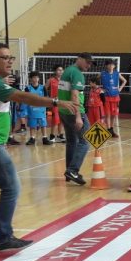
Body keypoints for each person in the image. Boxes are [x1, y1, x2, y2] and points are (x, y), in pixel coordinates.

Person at [0, 42, 78, 251]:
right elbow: (23, 97)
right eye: (5, 58)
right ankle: (4, 237)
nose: (10, 62)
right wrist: (56, 102)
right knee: (11, 187)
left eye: (11, 57)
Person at [58, 53, 93, 185]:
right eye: (87, 62)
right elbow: (74, 95)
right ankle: (72, 170)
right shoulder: (77, 74)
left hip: (64, 111)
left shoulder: (68, 70)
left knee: (72, 141)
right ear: (79, 59)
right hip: (74, 112)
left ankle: (69, 172)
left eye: (90, 63)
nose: (89, 66)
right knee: (85, 141)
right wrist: (78, 116)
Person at [23, 71, 51, 146]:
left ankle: (45, 138)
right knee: (32, 124)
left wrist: (47, 107)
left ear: (39, 78)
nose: (35, 79)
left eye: (37, 77)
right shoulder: (27, 88)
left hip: (41, 109)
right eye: (34, 77)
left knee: (43, 124)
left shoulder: (43, 88)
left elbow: (46, 98)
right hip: (32, 109)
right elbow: (26, 99)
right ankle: (32, 138)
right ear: (30, 79)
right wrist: (25, 111)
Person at [101, 60, 126, 138]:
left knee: (114, 114)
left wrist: (120, 88)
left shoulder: (117, 73)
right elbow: (95, 80)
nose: (111, 66)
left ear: (114, 66)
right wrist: (100, 89)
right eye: (109, 64)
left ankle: (111, 130)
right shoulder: (102, 74)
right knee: (107, 114)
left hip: (115, 97)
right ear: (106, 66)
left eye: (112, 65)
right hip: (106, 96)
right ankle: (108, 130)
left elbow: (124, 81)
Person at [46, 65, 66, 143]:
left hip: (63, 102)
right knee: (55, 119)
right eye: (59, 70)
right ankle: (52, 135)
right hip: (55, 102)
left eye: (62, 70)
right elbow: (44, 89)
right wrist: (48, 99)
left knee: (62, 119)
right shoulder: (51, 80)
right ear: (55, 71)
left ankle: (60, 135)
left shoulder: (65, 81)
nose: (60, 71)